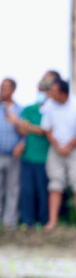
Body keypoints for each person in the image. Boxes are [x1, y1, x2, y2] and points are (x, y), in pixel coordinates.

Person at [40, 76, 76, 232]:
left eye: (53, 91)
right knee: (55, 184)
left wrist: (68, 146)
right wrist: (58, 146)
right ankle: (52, 221)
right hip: (56, 149)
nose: (50, 94)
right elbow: (47, 128)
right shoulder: (49, 105)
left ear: (63, 93)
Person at [12, 72, 56, 227]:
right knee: (27, 191)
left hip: (45, 157)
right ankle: (27, 220)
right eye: (40, 90)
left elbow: (44, 130)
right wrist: (29, 127)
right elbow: (22, 130)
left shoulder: (52, 110)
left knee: (43, 191)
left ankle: (44, 221)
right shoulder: (29, 109)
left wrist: (27, 126)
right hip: (28, 156)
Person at [0, 78, 22, 229]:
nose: (2, 90)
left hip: (14, 155)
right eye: (1, 87)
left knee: (13, 189)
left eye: (5, 87)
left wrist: (22, 144)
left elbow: (25, 132)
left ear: (13, 90)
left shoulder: (20, 110)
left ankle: (10, 223)